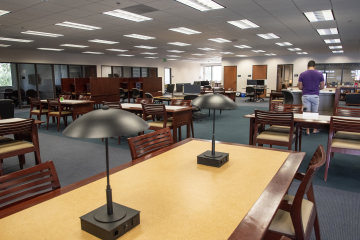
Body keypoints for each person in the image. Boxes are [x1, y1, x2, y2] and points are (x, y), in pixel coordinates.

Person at [298, 60, 325, 135]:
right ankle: (315, 129)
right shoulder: (320, 74)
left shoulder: (302, 74)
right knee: (315, 113)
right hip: (315, 95)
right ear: (314, 66)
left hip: (305, 95)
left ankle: (307, 130)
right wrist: (316, 88)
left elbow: (300, 87)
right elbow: (322, 86)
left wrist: (306, 88)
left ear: (307, 66)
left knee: (307, 113)